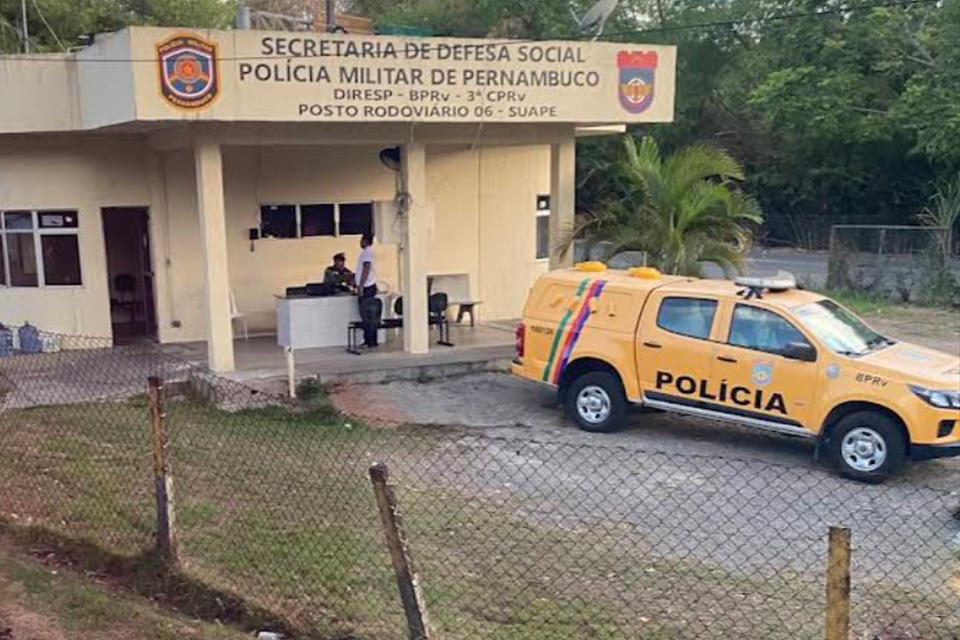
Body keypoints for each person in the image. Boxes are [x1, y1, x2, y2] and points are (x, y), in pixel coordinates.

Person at [355, 233, 379, 348]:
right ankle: (371, 340)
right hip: (369, 286)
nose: (360, 242)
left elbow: (366, 268)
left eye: (361, 240)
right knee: (371, 315)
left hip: (367, 287)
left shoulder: (367, 253)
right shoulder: (367, 253)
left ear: (365, 241)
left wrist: (361, 285)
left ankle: (369, 340)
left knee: (367, 315)